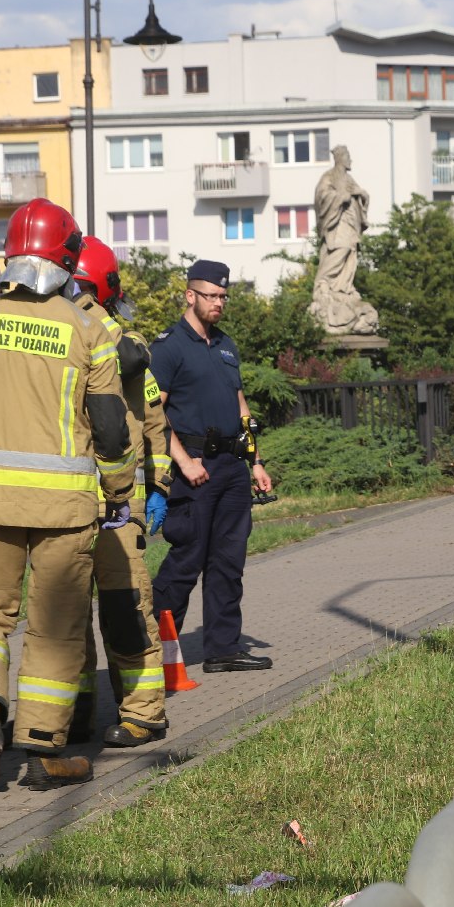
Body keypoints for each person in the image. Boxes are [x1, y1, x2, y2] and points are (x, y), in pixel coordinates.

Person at [0, 199, 137, 791]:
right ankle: (45, 753)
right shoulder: (86, 327)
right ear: (67, 257)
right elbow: (111, 425)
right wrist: (119, 488)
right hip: (64, 509)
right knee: (55, 626)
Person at [67, 236, 172, 748]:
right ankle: (76, 713)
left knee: (125, 606)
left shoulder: (119, 342)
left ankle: (144, 711)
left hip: (115, 502)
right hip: (63, 499)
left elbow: (153, 421)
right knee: (63, 617)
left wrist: (159, 486)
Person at [149, 259, 275, 673]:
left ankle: (223, 649)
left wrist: (255, 461)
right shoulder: (168, 348)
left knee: (227, 562)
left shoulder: (226, 345)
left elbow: (241, 407)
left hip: (232, 469)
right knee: (185, 565)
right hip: (195, 469)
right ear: (190, 295)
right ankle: (156, 656)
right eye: (212, 295)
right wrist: (182, 462)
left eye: (224, 296)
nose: (219, 302)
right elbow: (152, 413)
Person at [309, 144, 379, 335]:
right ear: (340, 158)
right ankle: (324, 284)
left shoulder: (349, 179)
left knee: (350, 256)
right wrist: (341, 197)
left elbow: (360, 197)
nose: (350, 160)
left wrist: (362, 195)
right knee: (340, 251)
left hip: (350, 225)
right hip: (337, 226)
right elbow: (321, 197)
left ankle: (343, 288)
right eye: (348, 156)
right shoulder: (329, 177)